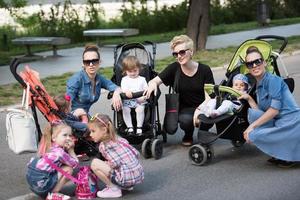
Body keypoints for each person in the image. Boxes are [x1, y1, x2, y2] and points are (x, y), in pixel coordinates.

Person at [144, 34, 215, 146]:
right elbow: (154, 81)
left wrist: (199, 110)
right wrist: (152, 84)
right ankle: (188, 134)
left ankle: (204, 131)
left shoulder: (205, 70)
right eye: (175, 54)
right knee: (186, 120)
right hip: (184, 109)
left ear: (191, 51)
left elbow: (209, 98)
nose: (179, 56)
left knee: (204, 118)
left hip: (203, 106)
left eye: (182, 52)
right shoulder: (174, 68)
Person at [239, 46, 300, 168]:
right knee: (253, 114)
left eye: (258, 61)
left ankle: (289, 155)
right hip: (279, 122)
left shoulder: (273, 80)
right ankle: (283, 151)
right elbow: (261, 112)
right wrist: (249, 98)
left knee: (253, 133)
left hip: (292, 122)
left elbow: (273, 111)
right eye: (250, 64)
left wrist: (251, 127)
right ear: (247, 68)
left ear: (265, 62)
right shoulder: (259, 85)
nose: (255, 65)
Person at [88, 113, 144, 198]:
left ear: (103, 130)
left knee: (95, 163)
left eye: (93, 131)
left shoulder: (104, 146)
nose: (90, 135)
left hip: (126, 178)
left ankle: (113, 189)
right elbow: (136, 153)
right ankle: (126, 186)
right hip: (137, 174)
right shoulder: (120, 139)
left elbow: (115, 163)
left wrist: (107, 164)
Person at [26, 121, 79, 199]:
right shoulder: (59, 152)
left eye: (70, 135)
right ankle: (53, 193)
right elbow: (75, 164)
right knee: (69, 169)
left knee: (60, 167)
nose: (68, 138)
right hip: (42, 185)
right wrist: (71, 150)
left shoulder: (47, 146)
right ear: (54, 137)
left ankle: (41, 193)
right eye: (65, 135)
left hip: (33, 183)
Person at [66, 44, 122, 113]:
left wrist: (116, 94)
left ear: (99, 62)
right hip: (72, 115)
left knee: (105, 121)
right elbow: (66, 102)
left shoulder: (99, 78)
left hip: (85, 115)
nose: (91, 64)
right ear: (83, 64)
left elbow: (116, 87)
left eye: (94, 61)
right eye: (87, 62)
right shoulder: (76, 79)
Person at [121, 56, 148, 136]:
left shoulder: (142, 79)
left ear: (139, 69)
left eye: (135, 71)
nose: (133, 73)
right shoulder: (124, 79)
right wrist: (126, 91)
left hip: (139, 100)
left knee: (140, 110)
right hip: (128, 100)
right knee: (125, 109)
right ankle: (130, 127)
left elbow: (146, 90)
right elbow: (123, 89)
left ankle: (139, 127)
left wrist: (144, 97)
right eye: (130, 71)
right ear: (125, 71)